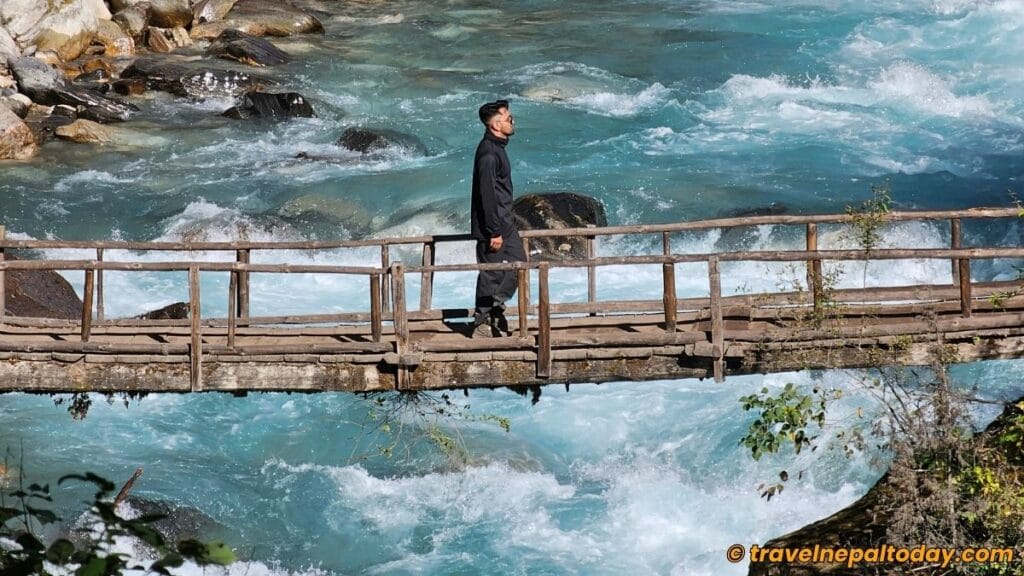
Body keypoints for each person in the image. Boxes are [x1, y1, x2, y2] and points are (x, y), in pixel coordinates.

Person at [470, 99, 525, 338]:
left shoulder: (498, 149)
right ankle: (481, 322)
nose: (513, 122)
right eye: (509, 118)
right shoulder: (489, 154)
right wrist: (493, 231)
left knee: (519, 266)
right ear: (496, 124)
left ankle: (495, 308)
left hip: (505, 222)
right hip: (493, 226)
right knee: (491, 272)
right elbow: (487, 195)